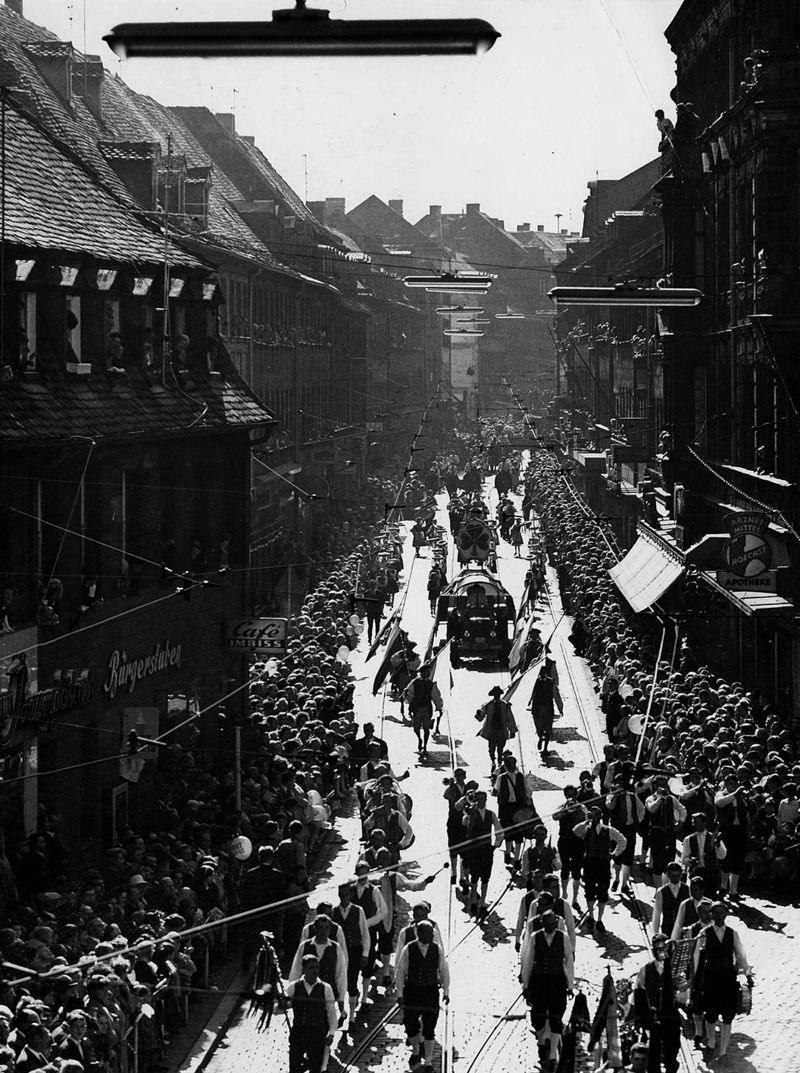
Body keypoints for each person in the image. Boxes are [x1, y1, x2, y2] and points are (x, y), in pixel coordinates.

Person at [693, 901, 753, 1058]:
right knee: (711, 1014)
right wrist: (696, 980)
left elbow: (740, 955)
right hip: (711, 979)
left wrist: (747, 973)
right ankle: (711, 1042)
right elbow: (697, 958)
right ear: (711, 915)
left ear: (726, 914)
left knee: (727, 1016)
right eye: (716, 913)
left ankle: (723, 1051)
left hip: (728, 979)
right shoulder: (704, 933)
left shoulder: (733, 934)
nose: (719, 916)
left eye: (722, 912)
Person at [520, 909, 574, 1069]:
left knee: (556, 1015)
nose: (550, 926)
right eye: (547, 923)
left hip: (557, 982)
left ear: (556, 923)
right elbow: (528, 961)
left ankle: (552, 1056)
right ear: (542, 923)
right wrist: (526, 985)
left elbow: (569, 961)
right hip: (540, 982)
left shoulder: (563, 937)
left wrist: (570, 985)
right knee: (538, 1015)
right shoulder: (535, 937)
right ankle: (541, 1043)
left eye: (553, 923)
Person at [395, 920, 450, 1072]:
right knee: (410, 1024)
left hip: (430, 991)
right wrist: (400, 994)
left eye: (432, 933)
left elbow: (444, 970)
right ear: (419, 933)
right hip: (412, 990)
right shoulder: (409, 948)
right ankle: (415, 1050)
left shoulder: (437, 949)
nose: (431, 936)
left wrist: (446, 991)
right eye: (428, 933)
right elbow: (400, 972)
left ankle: (429, 1061)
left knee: (430, 1026)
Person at [572, 805, 627, 934]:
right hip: (590, 863)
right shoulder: (585, 829)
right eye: (592, 814)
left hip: (603, 863)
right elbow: (575, 831)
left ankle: (600, 919)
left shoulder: (608, 830)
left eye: (597, 814)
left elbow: (622, 840)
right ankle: (591, 916)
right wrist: (586, 821)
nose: (595, 817)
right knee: (589, 890)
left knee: (603, 891)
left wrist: (614, 854)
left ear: (601, 816)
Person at [633, 934, 681, 1073]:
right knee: (653, 1054)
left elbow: (683, 993)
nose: (660, 951)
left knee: (672, 1051)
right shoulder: (645, 969)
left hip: (670, 1016)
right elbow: (639, 994)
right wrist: (641, 1019)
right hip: (653, 1017)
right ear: (653, 950)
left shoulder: (674, 969)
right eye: (657, 949)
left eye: (663, 948)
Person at [288, 914, 347, 1023]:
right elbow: (296, 969)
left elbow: (341, 974)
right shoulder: (304, 946)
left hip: (327, 994)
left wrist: (341, 997)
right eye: (320, 928)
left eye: (326, 928)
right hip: (307, 993)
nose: (323, 931)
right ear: (315, 928)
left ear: (329, 929)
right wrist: (292, 993)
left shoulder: (336, 948)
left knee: (323, 1023)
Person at [286, 954, 338, 1073]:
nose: (315, 971)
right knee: (294, 1068)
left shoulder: (326, 988)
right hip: (298, 1034)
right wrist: (280, 1005)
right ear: (304, 969)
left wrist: (331, 1033)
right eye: (311, 968)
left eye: (317, 967)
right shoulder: (294, 987)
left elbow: (331, 1012)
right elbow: (282, 1006)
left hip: (317, 1035)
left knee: (315, 1069)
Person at [460, 789, 503, 922]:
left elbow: (499, 829)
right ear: (475, 800)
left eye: (483, 799)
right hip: (474, 850)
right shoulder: (470, 813)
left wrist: (495, 845)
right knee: (474, 876)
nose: (481, 801)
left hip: (486, 850)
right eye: (478, 799)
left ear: (485, 800)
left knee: (485, 876)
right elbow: (464, 823)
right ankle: (474, 901)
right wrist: (469, 813)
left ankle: (483, 902)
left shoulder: (491, 814)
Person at [332, 883, 370, 1022]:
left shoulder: (358, 910)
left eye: (347, 894)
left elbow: (365, 934)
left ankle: (352, 1017)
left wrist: (365, 954)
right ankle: (342, 1011)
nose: (344, 897)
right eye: (341, 895)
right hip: (340, 952)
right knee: (339, 981)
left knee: (352, 982)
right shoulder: (334, 912)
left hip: (354, 951)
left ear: (351, 895)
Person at [605, 772, 643, 893]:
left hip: (629, 829)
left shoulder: (632, 796)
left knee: (628, 856)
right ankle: (616, 879)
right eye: (619, 783)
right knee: (617, 855)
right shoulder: (611, 795)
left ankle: (625, 884)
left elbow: (641, 809)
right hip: (617, 829)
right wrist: (616, 794)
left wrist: (637, 821)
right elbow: (610, 806)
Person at [493, 754, 532, 871]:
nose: (511, 766)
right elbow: (495, 791)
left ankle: (517, 859)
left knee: (519, 834)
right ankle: (508, 852)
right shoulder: (501, 778)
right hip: (506, 808)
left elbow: (528, 791)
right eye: (509, 764)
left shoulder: (521, 777)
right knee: (508, 831)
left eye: (513, 764)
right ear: (505, 766)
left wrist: (526, 798)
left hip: (518, 808)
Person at [645, 777, 687, 885]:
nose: (663, 788)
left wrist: (680, 823)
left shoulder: (671, 799)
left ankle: (667, 886)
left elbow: (682, 809)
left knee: (669, 861)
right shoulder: (650, 798)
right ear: (655, 786)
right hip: (656, 833)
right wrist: (660, 798)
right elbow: (652, 809)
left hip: (669, 833)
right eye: (660, 785)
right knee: (657, 862)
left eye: (664, 785)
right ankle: (658, 888)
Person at [714, 774, 749, 900]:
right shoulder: (720, 794)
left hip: (739, 830)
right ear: (725, 784)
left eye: (735, 784)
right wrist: (735, 794)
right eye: (731, 784)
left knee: (738, 859)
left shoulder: (741, 796)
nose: (733, 786)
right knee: (726, 859)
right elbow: (719, 803)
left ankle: (733, 891)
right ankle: (723, 888)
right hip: (726, 830)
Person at [553, 787, 586, 907]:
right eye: (568, 795)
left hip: (577, 842)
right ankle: (564, 893)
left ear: (576, 795)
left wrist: (579, 810)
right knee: (565, 867)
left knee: (577, 870)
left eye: (572, 794)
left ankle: (575, 899)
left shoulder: (581, 807)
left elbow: (588, 819)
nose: (570, 797)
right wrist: (565, 810)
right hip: (564, 840)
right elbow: (554, 816)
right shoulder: (562, 806)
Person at [681, 812, 726, 897]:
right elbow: (684, 859)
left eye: (696, 822)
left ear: (704, 823)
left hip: (711, 873)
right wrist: (690, 861)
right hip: (696, 873)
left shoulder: (713, 837)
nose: (694, 824)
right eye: (693, 822)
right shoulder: (688, 839)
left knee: (710, 897)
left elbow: (722, 855)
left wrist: (718, 845)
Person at [403, 665, 443, 757]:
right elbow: (409, 693)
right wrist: (407, 694)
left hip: (426, 709)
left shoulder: (432, 684)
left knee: (426, 728)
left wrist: (439, 707)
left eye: (429, 672)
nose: (428, 673)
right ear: (422, 673)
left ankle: (425, 746)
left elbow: (436, 697)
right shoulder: (415, 682)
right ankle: (419, 739)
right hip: (416, 709)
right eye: (426, 672)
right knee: (416, 728)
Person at [475, 685, 517, 770]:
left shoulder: (505, 705)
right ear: (493, 695)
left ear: (500, 695)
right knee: (491, 748)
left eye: (498, 694)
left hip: (501, 730)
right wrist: (478, 713)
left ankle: (499, 761)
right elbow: (481, 716)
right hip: (492, 730)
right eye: (495, 694)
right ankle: (493, 761)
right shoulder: (488, 705)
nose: (497, 695)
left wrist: (512, 730)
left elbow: (510, 718)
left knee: (500, 748)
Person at [530, 656, 563, 756]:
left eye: (545, 672)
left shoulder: (551, 682)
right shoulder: (535, 682)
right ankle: (540, 737)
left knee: (548, 729)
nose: (543, 674)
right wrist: (529, 701)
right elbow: (530, 693)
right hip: (537, 709)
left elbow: (556, 695)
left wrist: (560, 708)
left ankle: (545, 748)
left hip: (548, 709)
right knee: (539, 728)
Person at [443, 769, 470, 887]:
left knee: (464, 849)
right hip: (453, 821)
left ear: (464, 776)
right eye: (457, 776)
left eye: (461, 775)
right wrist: (450, 785)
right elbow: (445, 796)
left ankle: (462, 876)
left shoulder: (468, 788)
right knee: (453, 847)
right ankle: (453, 872)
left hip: (465, 822)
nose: (459, 778)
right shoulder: (452, 787)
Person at [651, 862, 690, 938]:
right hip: (667, 930)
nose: (675, 879)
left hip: (683, 930)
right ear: (667, 875)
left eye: (678, 876)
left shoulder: (687, 889)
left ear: (681, 875)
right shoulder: (661, 892)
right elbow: (657, 914)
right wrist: (656, 933)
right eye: (672, 876)